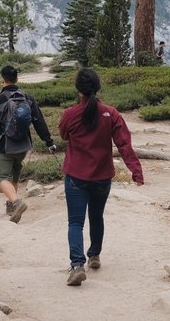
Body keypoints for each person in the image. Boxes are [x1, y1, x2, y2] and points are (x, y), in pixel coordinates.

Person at [59, 68, 144, 287]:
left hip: (76, 175)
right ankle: (94, 255)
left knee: (75, 222)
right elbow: (124, 144)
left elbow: (63, 134)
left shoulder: (70, 114)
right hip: (102, 176)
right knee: (97, 217)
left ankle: (77, 265)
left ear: (78, 89)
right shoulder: (111, 113)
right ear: (97, 87)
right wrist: (136, 170)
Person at [0, 65, 56, 223]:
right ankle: (11, 206)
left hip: (5, 145)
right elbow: (39, 121)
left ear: (2, 80)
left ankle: (17, 202)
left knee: (2, 177)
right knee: (14, 175)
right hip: (23, 145)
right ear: (17, 79)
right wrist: (48, 141)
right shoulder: (27, 97)